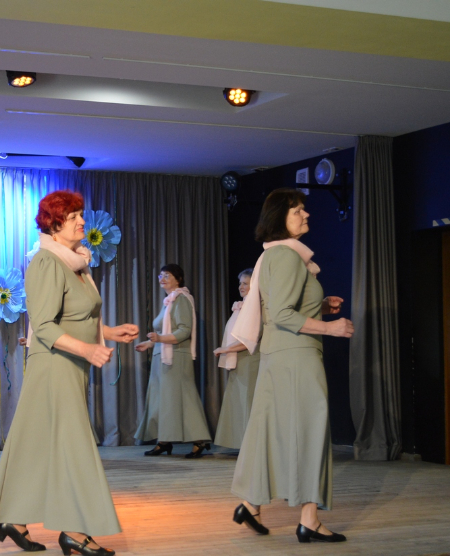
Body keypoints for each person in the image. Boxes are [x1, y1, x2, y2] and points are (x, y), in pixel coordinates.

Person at [0, 190, 139, 555]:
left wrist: (109, 332)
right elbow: (44, 325)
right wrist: (88, 348)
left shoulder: (74, 263)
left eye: (81, 215)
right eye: (73, 217)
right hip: (54, 365)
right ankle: (74, 529)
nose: (82, 221)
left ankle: (13, 517)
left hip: (69, 365)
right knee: (73, 447)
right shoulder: (47, 262)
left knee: (39, 443)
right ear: (54, 224)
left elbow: (77, 317)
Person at [230, 189, 353, 543]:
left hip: (281, 355)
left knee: (274, 431)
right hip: (296, 357)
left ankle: (251, 504)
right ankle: (308, 520)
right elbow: (283, 314)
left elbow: (280, 307)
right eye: (297, 210)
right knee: (309, 432)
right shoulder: (286, 256)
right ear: (279, 218)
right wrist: (330, 327)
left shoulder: (278, 254)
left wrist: (321, 306)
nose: (306, 214)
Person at [134, 264, 212, 458]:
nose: (162, 279)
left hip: (177, 357)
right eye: (160, 276)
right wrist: (150, 343)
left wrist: (160, 338)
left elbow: (184, 331)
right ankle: (164, 441)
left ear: (178, 279)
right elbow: (164, 332)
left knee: (184, 399)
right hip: (162, 357)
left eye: (167, 275)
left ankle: (199, 440)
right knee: (162, 401)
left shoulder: (181, 299)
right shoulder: (168, 301)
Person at [212, 269, 261, 450]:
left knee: (248, 403)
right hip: (239, 361)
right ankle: (244, 445)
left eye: (245, 283)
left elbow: (250, 338)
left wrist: (226, 349)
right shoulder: (242, 306)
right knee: (240, 403)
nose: (241, 287)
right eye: (240, 283)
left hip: (250, 360)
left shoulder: (255, 308)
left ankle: (252, 446)